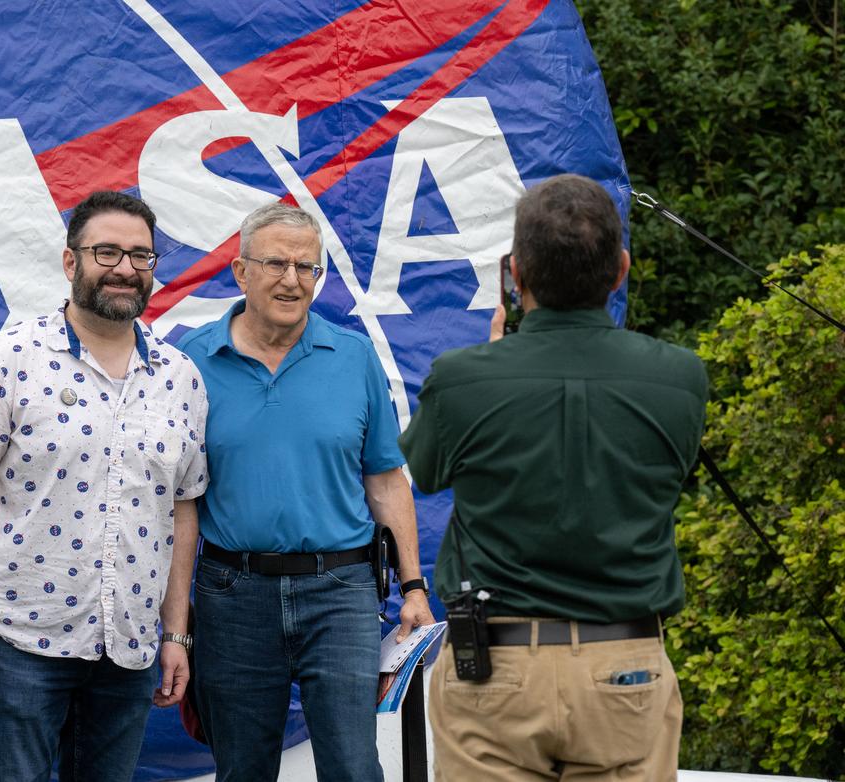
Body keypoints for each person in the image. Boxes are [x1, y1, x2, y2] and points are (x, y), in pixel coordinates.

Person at [400, 174, 708, 781]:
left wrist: (492, 362)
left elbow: (427, 471)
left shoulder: (463, 378)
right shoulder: (679, 376)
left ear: (516, 275)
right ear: (619, 270)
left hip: (496, 667)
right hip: (626, 660)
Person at [0, 191, 209, 782]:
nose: (125, 269)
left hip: (130, 644)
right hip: (22, 637)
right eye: (106, 252)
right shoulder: (9, 358)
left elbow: (182, 513)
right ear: (70, 262)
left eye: (141, 256)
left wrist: (176, 633)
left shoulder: (180, 379)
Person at [178, 201, 435, 782]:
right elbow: (178, 500)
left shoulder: (354, 356)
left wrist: (414, 587)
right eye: (276, 263)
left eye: (307, 267)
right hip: (231, 593)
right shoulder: (190, 360)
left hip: (341, 593)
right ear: (241, 272)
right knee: (242, 770)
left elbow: (386, 479)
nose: (292, 279)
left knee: (353, 767)